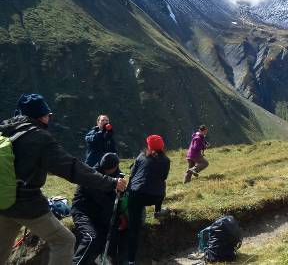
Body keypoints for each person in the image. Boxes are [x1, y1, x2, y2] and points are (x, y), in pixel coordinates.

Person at [0, 94, 127, 265]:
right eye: (48, 114)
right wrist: (110, 182)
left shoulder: (6, 129)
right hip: (26, 204)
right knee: (64, 241)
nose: (49, 118)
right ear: (41, 115)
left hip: (3, 200)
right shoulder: (39, 138)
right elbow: (72, 168)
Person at [71, 153, 124, 264]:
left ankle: (107, 257)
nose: (110, 171)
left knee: (115, 229)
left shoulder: (116, 173)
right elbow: (103, 199)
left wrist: (120, 215)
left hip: (98, 212)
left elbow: (113, 197)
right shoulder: (91, 176)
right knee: (91, 237)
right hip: (82, 211)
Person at [126, 135, 170, 264]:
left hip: (135, 195)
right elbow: (163, 177)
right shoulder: (166, 160)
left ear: (149, 146)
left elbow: (132, 174)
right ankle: (157, 210)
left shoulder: (141, 156)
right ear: (162, 146)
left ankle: (130, 260)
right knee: (162, 183)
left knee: (133, 228)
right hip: (154, 197)